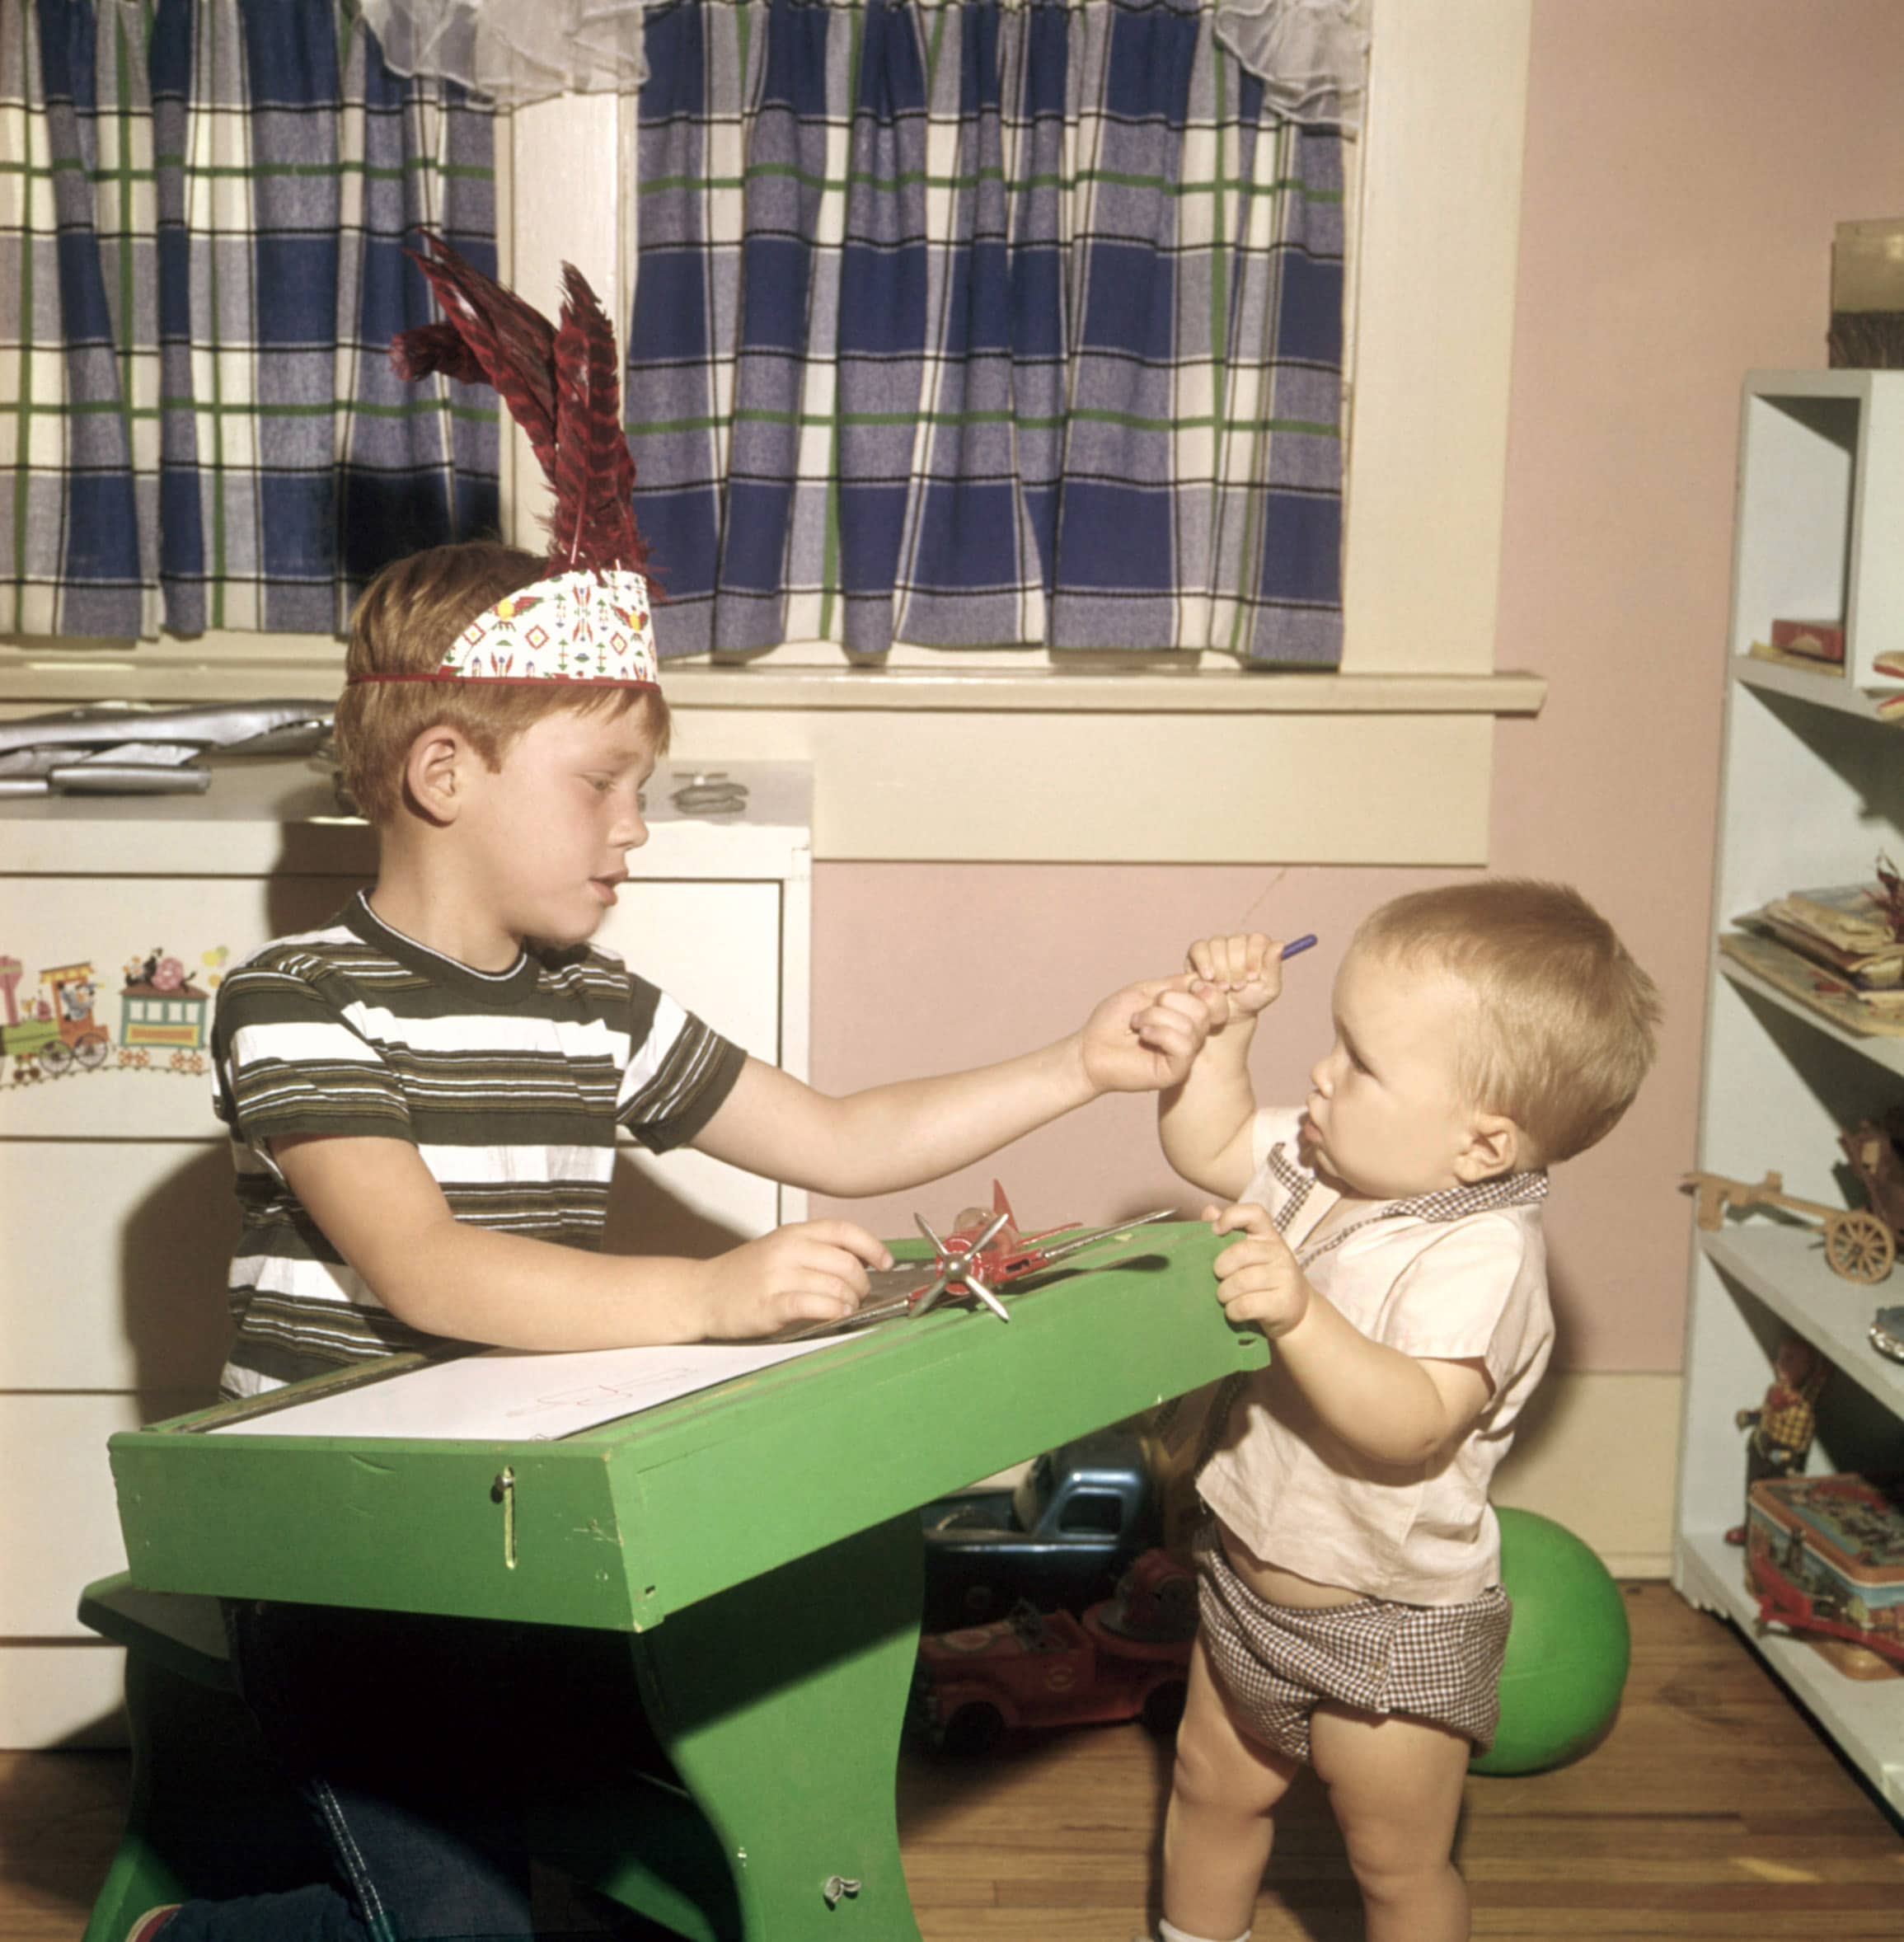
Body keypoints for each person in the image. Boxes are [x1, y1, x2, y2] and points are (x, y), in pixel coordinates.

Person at [129, 242, 1215, 1942]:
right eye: (603, 787)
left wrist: (1077, 1061)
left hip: (531, 1540)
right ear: (442, 769)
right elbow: (428, 1274)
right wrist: (711, 1288)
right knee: (472, 1934)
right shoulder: (298, 1001)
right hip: (349, 1569)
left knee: (707, 1842)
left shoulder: (595, 1007)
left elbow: (843, 1136)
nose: (637, 828)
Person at [1143, 881, 1660, 1942]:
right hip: (1248, 1582)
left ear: (1481, 1146)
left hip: (1391, 1625)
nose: (1324, 1074)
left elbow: (1413, 1418)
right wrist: (1229, 1030)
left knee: (1394, 1859)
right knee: (1208, 1790)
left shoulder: (1481, 1253)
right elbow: (1211, 1141)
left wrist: (1295, 1312)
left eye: (1362, 1060)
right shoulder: (1340, 1162)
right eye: (1334, 1040)